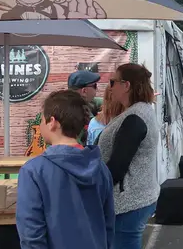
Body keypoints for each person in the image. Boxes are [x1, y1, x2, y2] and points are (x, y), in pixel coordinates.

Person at [16, 90, 114, 249]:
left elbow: (31, 233)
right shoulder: (101, 168)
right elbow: (108, 225)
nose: (40, 125)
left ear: (52, 122)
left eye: (42, 119)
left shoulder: (33, 171)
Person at [98, 63, 159, 249]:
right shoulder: (139, 111)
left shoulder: (135, 117)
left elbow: (118, 165)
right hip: (136, 196)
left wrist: (95, 188)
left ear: (126, 85)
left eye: (113, 81)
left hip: (128, 202)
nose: (110, 87)